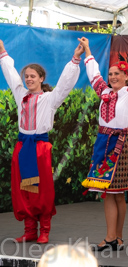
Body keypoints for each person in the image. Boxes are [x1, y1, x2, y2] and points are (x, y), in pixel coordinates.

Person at [0, 40, 83, 244]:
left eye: (32, 76)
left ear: (41, 78)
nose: (28, 79)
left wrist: (75, 59)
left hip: (39, 149)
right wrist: (2, 51)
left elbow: (65, 84)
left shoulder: (50, 99)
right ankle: (30, 231)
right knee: (24, 190)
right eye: (26, 76)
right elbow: (10, 75)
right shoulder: (21, 94)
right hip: (22, 147)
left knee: (42, 191)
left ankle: (44, 230)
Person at [79, 25, 128, 251]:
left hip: (120, 144)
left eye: (117, 74)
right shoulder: (104, 92)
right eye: (110, 74)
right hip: (103, 143)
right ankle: (116, 237)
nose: (112, 77)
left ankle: (112, 236)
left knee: (115, 194)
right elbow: (93, 73)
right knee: (111, 193)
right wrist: (88, 50)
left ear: (125, 76)